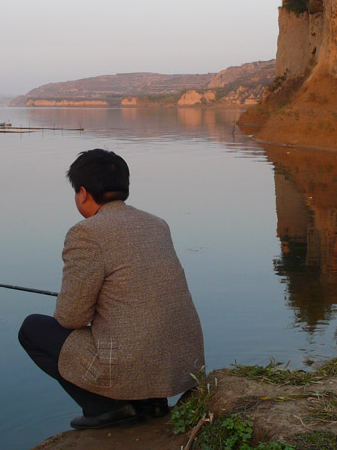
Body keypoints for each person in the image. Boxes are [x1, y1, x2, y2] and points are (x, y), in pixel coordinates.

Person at [18, 149, 204, 430]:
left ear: (82, 192)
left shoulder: (86, 233)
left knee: (32, 329)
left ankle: (107, 408)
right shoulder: (156, 224)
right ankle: (153, 403)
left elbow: (71, 318)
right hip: (179, 364)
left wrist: (75, 302)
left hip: (132, 362)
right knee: (137, 324)